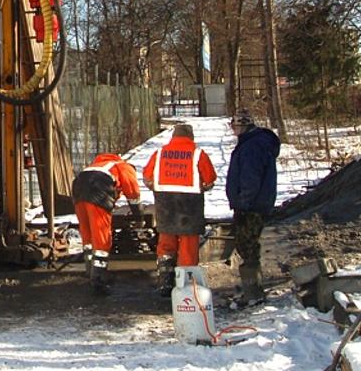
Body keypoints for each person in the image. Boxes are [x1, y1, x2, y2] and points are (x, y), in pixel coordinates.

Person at [143, 123, 217, 296]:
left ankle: (165, 283)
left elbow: (147, 176)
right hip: (190, 205)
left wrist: (157, 187)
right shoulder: (198, 153)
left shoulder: (160, 153)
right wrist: (202, 187)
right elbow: (210, 179)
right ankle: (185, 286)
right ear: (191, 137)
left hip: (165, 204)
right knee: (188, 245)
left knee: (166, 242)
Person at [226, 108, 280, 307]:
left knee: (247, 245)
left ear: (243, 125)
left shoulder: (251, 147)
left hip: (251, 205)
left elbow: (250, 178)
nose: (233, 129)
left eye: (235, 125)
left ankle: (253, 292)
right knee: (248, 245)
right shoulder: (254, 143)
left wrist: (243, 204)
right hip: (256, 203)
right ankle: (253, 289)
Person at [71, 152, 142, 295]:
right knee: (101, 237)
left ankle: (90, 271)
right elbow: (133, 193)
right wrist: (138, 215)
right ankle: (99, 281)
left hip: (78, 189)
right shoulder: (123, 166)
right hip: (98, 191)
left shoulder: (96, 165)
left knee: (88, 234)